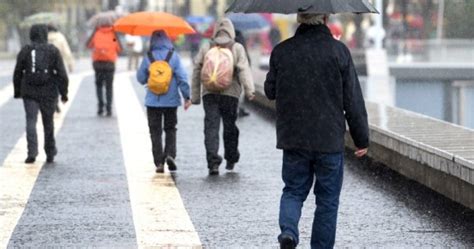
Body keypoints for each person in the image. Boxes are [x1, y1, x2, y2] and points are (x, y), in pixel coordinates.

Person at [264, 13, 369, 249]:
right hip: (329, 139)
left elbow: (270, 91)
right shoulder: (339, 51)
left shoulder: (282, 51)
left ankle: (289, 232)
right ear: (325, 17)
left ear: (300, 18)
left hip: (294, 137)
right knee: (327, 200)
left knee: (293, 190)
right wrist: (361, 138)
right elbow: (352, 100)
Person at [192, 18, 255, 175]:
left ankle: (213, 162)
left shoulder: (207, 46)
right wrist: (249, 90)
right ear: (232, 32)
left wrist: (195, 96)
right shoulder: (236, 47)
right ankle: (231, 158)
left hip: (209, 93)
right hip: (230, 93)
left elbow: (197, 70)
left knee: (211, 127)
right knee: (230, 126)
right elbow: (244, 70)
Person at [136, 30, 192, 173]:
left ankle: (159, 163)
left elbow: (140, 78)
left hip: (152, 101)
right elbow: (183, 78)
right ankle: (170, 155)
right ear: (168, 40)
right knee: (170, 129)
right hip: (171, 101)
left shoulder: (148, 56)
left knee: (155, 132)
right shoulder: (174, 56)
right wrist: (187, 96)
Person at [13, 24, 69, 164]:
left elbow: (18, 72)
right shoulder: (53, 51)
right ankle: (50, 151)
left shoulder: (25, 50)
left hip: (29, 91)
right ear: (45, 34)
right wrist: (63, 93)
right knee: (48, 122)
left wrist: (18, 91)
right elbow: (62, 73)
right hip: (48, 91)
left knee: (30, 121)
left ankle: (32, 152)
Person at [87, 26, 122, 116]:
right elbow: (118, 48)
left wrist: (94, 32)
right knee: (109, 87)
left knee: (99, 86)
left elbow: (89, 45)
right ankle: (109, 108)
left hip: (98, 64)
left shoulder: (96, 33)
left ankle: (100, 106)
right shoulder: (112, 35)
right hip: (109, 64)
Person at [47, 24, 74, 113]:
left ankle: (51, 102)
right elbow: (66, 51)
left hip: (45, 65)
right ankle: (55, 101)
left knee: (48, 84)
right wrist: (70, 65)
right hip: (58, 64)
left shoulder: (44, 37)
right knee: (57, 84)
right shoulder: (60, 37)